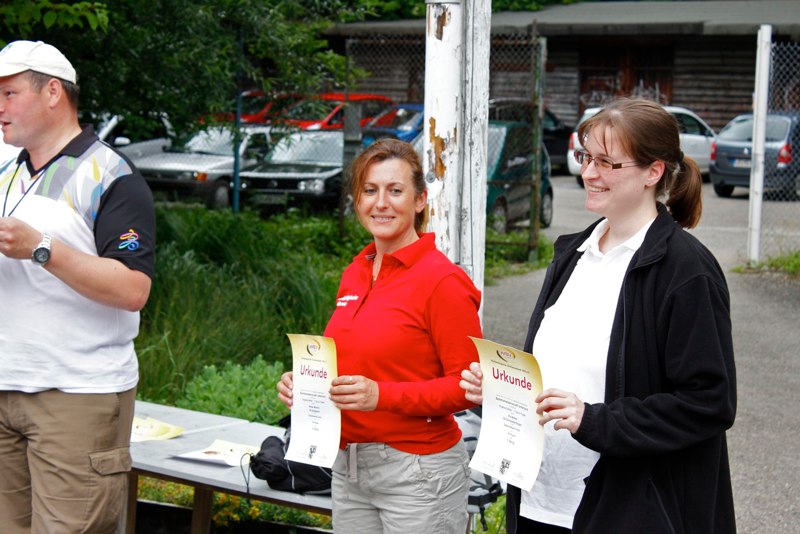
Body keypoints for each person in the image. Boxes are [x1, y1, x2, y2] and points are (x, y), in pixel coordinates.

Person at [461, 97, 736, 533]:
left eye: (606, 162)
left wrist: (594, 421)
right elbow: (564, 371)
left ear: (653, 172)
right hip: (541, 501)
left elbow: (709, 403)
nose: (588, 173)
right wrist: (500, 390)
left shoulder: (686, 271)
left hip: (629, 511)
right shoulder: (573, 254)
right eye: (586, 157)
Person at [277, 138, 482, 534]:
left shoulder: (442, 281)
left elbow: (468, 388)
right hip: (349, 467)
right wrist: (305, 384)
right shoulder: (355, 271)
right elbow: (354, 363)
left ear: (420, 200)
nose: (381, 203)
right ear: (357, 201)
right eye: (370, 190)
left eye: (395, 191)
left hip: (418, 473)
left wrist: (381, 396)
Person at [0, 40, 155, 533]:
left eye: (8, 94)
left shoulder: (112, 175)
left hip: (76, 395)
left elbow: (133, 288)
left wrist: (40, 247)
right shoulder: (7, 170)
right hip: (6, 385)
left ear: (53, 93)